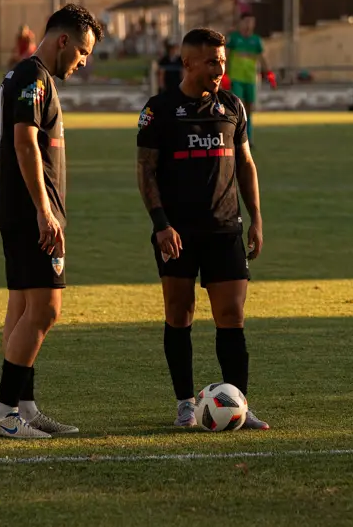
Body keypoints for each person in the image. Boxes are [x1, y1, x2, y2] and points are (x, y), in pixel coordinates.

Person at [135, 27, 269, 431]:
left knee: (232, 315)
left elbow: (245, 164)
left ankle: (239, 406)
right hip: (177, 232)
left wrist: (256, 217)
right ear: (188, 61)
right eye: (212, 62)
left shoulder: (233, 106)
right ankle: (184, 404)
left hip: (226, 228)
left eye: (222, 62)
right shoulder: (158, 110)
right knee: (180, 314)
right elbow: (146, 172)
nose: (219, 69)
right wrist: (161, 225)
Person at [0, 4, 104, 439]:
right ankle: (4, 412)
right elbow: (24, 143)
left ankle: (24, 407)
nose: (83, 61)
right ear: (63, 41)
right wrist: (44, 210)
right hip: (31, 212)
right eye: (82, 52)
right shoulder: (33, 78)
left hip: (18, 211)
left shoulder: (25, 76)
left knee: (21, 308)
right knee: (46, 310)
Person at [226, 13, 276, 146]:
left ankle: (248, 137)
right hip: (236, 78)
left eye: (251, 22)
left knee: (249, 108)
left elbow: (263, 59)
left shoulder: (256, 40)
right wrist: (223, 74)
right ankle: (237, 137)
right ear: (241, 23)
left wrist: (270, 76)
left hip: (250, 79)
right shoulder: (234, 38)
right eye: (246, 22)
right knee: (238, 107)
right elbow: (225, 56)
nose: (249, 25)